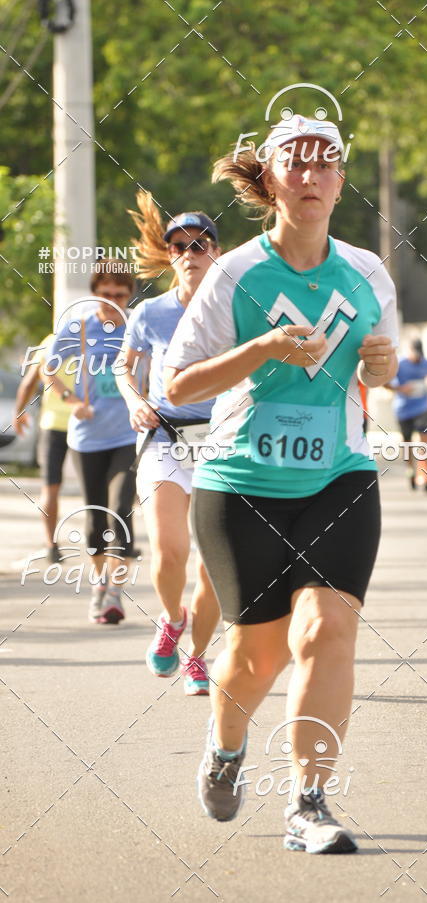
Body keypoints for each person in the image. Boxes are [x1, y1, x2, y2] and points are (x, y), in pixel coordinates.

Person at [163, 114, 399, 853]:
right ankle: (226, 745)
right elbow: (178, 383)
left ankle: (309, 801)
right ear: (271, 180)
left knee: (328, 629)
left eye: (326, 163)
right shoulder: (235, 273)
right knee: (255, 655)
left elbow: (372, 365)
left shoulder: (367, 272)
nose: (311, 175)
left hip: (340, 475)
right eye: (295, 163)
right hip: (242, 483)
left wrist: (380, 370)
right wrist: (261, 348)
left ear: (339, 179)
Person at [115, 192, 221, 696]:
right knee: (170, 551)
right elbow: (123, 365)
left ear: (216, 253)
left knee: (213, 562)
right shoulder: (150, 312)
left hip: (223, 441)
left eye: (200, 245)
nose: (189, 253)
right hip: (165, 437)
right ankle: (171, 617)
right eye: (178, 246)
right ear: (169, 254)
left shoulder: (237, 308)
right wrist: (136, 400)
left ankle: (198, 658)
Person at [44, 260, 138, 624]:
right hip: (87, 438)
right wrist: (71, 403)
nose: (112, 300)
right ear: (94, 293)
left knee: (121, 509)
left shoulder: (136, 326)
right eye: (106, 294)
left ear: (129, 295)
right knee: (96, 518)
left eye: (120, 294)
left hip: (129, 434)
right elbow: (48, 369)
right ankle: (100, 585)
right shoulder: (80, 327)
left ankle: (115, 592)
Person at [12, 335, 74, 562]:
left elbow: (29, 382)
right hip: (86, 424)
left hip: (53, 425)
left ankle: (51, 545)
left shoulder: (50, 342)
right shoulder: (96, 340)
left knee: (50, 488)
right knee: (95, 485)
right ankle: (104, 540)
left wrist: (19, 412)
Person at [388, 338, 427, 491]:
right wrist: (401, 389)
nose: (417, 358)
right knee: (407, 442)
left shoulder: (426, 363)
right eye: (415, 354)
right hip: (403, 409)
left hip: (422, 407)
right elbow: (387, 383)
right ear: (409, 351)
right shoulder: (400, 364)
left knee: (426, 440)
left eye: (419, 355)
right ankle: (410, 470)